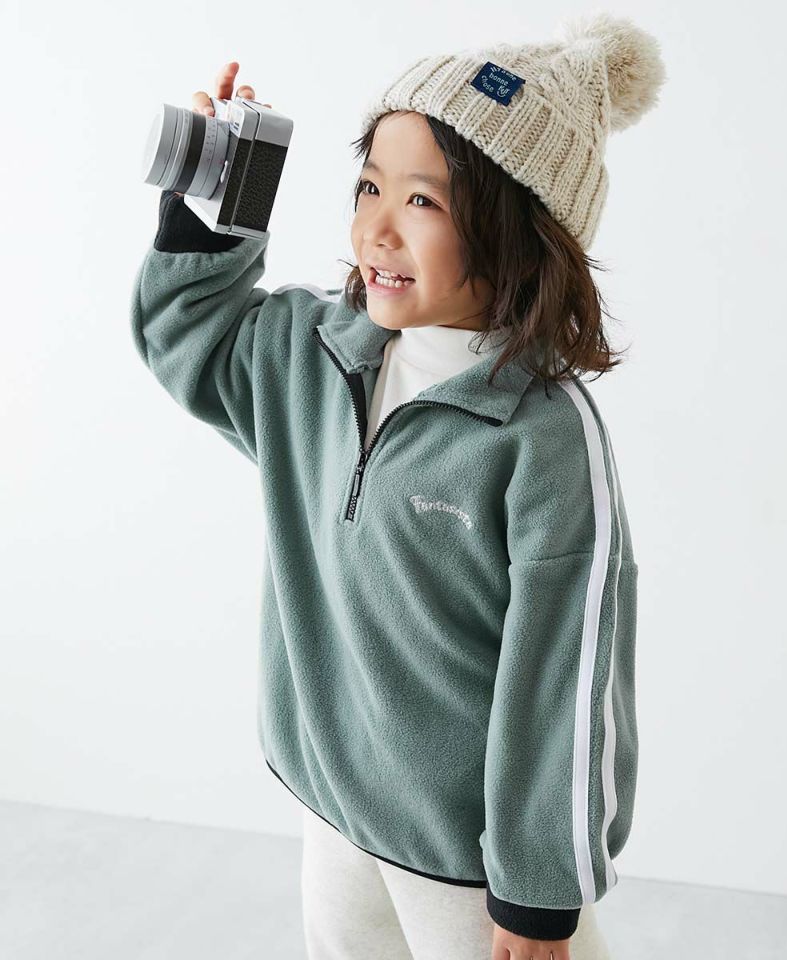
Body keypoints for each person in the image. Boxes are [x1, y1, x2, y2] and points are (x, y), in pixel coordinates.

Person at [130, 12, 666, 959]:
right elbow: (189, 343)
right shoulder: (314, 354)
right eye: (369, 185)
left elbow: (569, 675)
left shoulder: (540, 438)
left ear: (520, 234)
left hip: (472, 860)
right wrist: (222, 199)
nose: (375, 227)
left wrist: (538, 893)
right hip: (334, 803)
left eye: (423, 201)